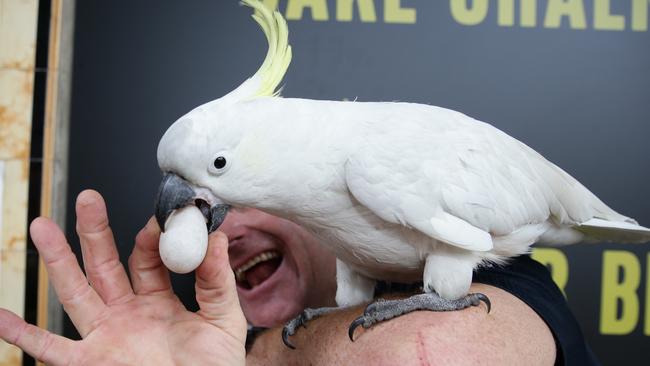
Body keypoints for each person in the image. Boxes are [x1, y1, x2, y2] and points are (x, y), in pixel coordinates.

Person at [0, 190, 597, 365]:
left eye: (230, 206)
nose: (219, 237)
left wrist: (248, 358)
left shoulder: (461, 262)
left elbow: (428, 355)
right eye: (195, 227)